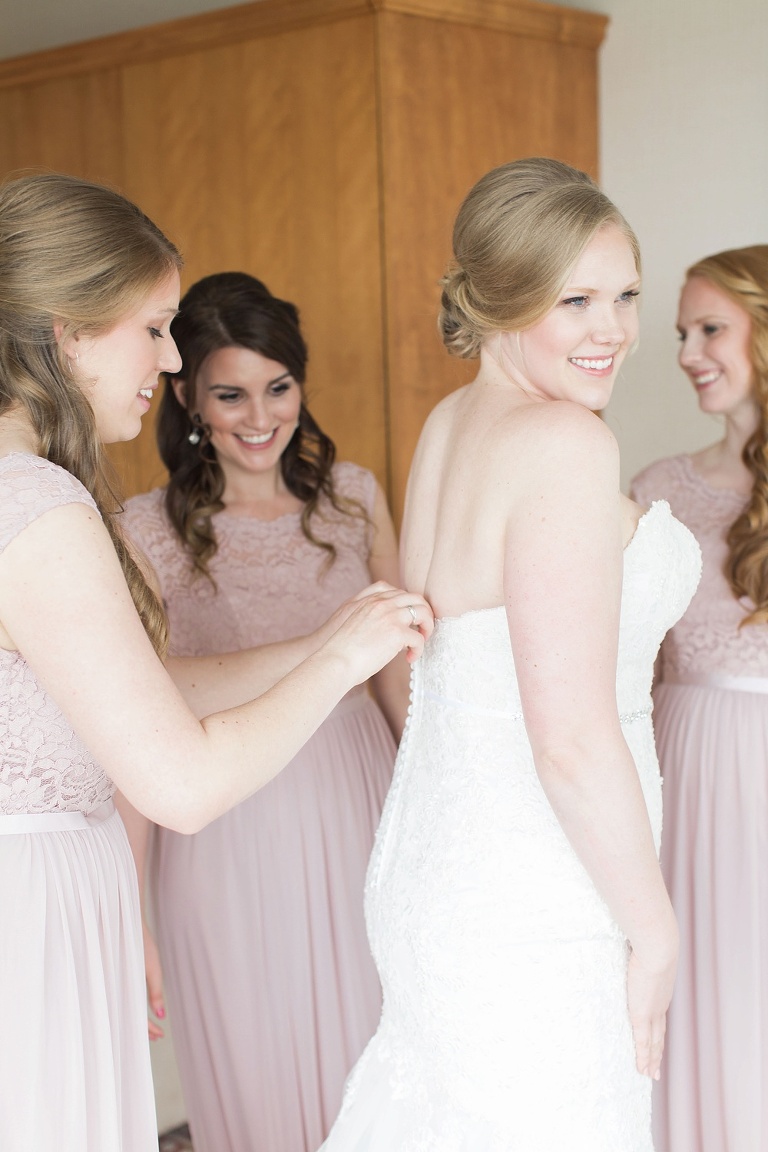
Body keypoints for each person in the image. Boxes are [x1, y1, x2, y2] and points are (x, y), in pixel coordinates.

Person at [0, 172, 431, 1152]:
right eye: (152, 327)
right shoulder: (39, 505)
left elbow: (127, 696)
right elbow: (182, 784)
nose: (166, 354)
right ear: (68, 332)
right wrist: (340, 663)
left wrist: (329, 637)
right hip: (35, 910)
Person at [319, 157, 702, 1152]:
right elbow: (568, 737)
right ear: (496, 300)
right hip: (537, 887)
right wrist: (655, 932)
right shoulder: (564, 445)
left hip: (443, 867)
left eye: (624, 296)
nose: (611, 330)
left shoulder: (452, 424)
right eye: (574, 300)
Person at [120, 271, 409, 1152]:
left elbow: (403, 686)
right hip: (223, 830)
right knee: (250, 1063)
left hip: (358, 807)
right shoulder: (145, 528)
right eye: (230, 392)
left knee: (378, 1059)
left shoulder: (353, 498)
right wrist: (134, 921)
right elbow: (136, 732)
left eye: (279, 386)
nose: (259, 415)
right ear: (187, 396)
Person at [631, 245, 768, 1152]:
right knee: (700, 983)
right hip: (683, 773)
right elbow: (621, 669)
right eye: (683, 332)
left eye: (710, 328)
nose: (687, 351)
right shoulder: (657, 491)